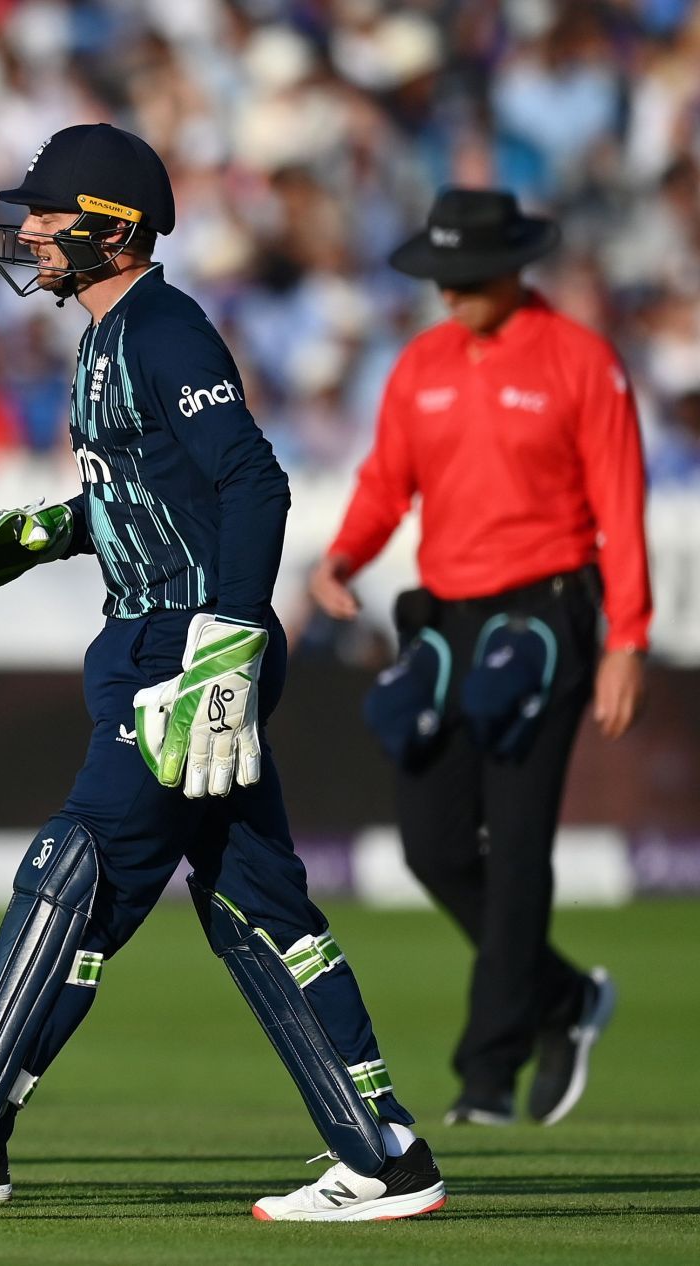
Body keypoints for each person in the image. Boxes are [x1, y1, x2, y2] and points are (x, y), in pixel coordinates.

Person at [0, 124, 447, 1223]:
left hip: (181, 645)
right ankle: (384, 1154)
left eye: (50, 215)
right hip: (157, 637)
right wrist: (53, 530)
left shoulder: (165, 329)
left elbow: (252, 486)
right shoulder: (104, 338)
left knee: (75, 870)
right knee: (255, 906)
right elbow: (156, 495)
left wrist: (228, 640)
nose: (30, 233)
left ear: (114, 227)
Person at [309, 188, 643, 1128]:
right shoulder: (420, 367)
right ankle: (566, 998)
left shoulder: (582, 361)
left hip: (548, 618)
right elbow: (385, 483)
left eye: (464, 279)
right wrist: (344, 554)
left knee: (520, 838)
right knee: (433, 843)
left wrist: (628, 642)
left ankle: (487, 1073)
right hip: (447, 621)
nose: (448, 296)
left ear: (512, 268)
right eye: (438, 280)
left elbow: (621, 509)